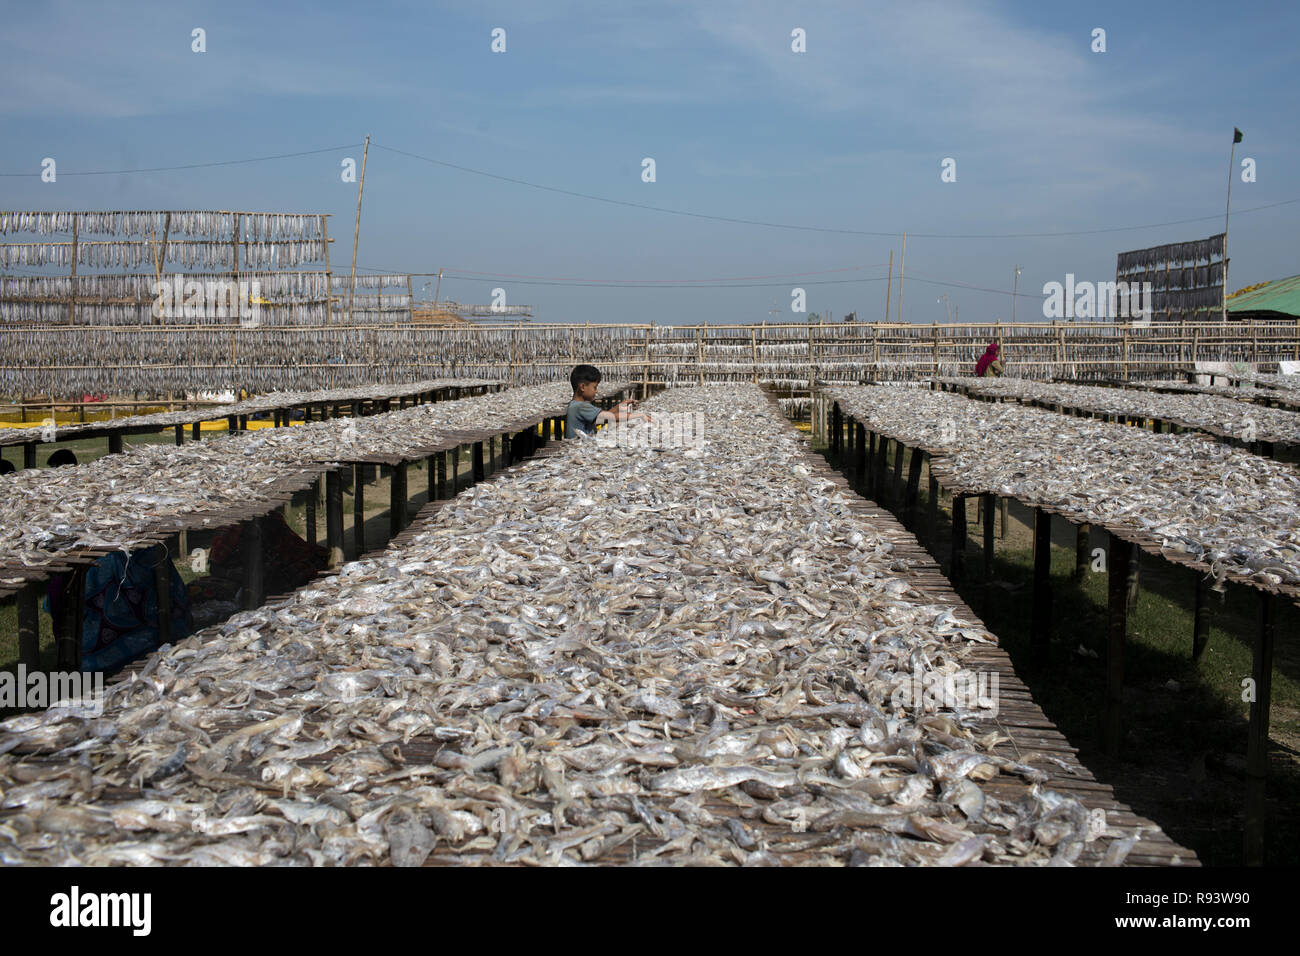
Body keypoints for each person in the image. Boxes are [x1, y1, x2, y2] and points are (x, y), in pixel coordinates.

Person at [566, 364, 652, 437]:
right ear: (582, 387)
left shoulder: (575, 405)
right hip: (579, 447)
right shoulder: (581, 407)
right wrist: (639, 415)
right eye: (595, 387)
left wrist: (620, 406)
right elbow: (611, 417)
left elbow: (603, 417)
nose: (596, 391)